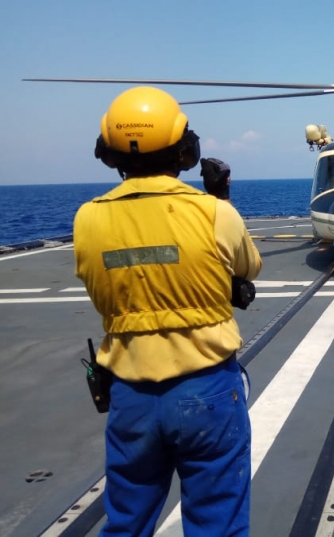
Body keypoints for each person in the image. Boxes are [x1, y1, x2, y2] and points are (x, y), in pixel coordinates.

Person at [73, 86, 262, 536]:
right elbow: (248, 267)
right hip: (207, 388)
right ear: (185, 150)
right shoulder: (213, 213)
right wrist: (220, 199)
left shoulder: (87, 219)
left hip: (130, 394)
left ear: (108, 153)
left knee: (126, 521)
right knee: (217, 519)